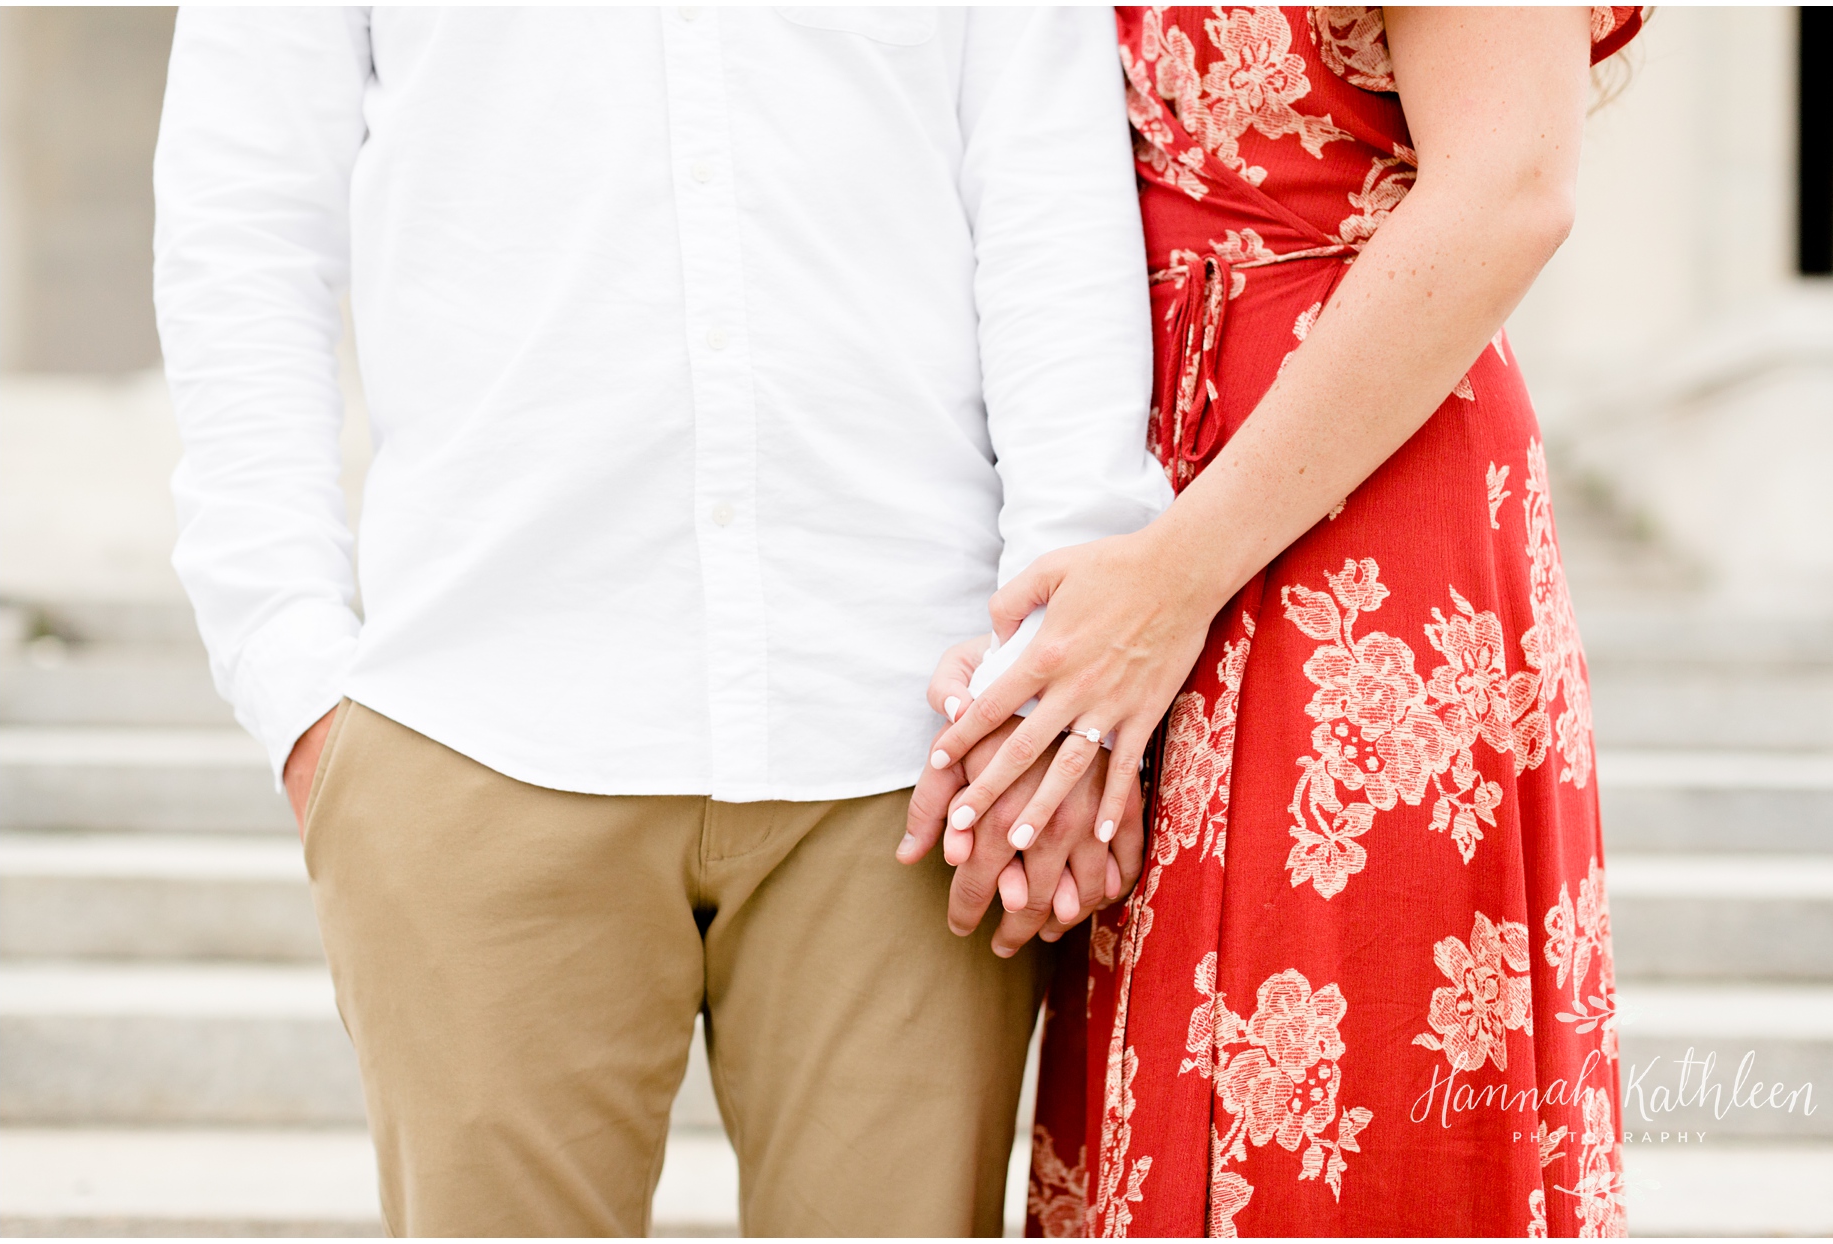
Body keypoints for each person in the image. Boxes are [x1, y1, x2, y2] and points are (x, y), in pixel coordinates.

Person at [152, 8, 1171, 1236]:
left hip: (905, 746)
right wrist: (295, 674)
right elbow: (243, 217)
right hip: (482, 721)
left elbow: (1046, 194)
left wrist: (1050, 663)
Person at [912, 7, 1642, 1236]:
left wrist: (1174, 575)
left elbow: (1511, 188)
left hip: (1357, 516)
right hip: (1145, 491)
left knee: (1333, 1102)